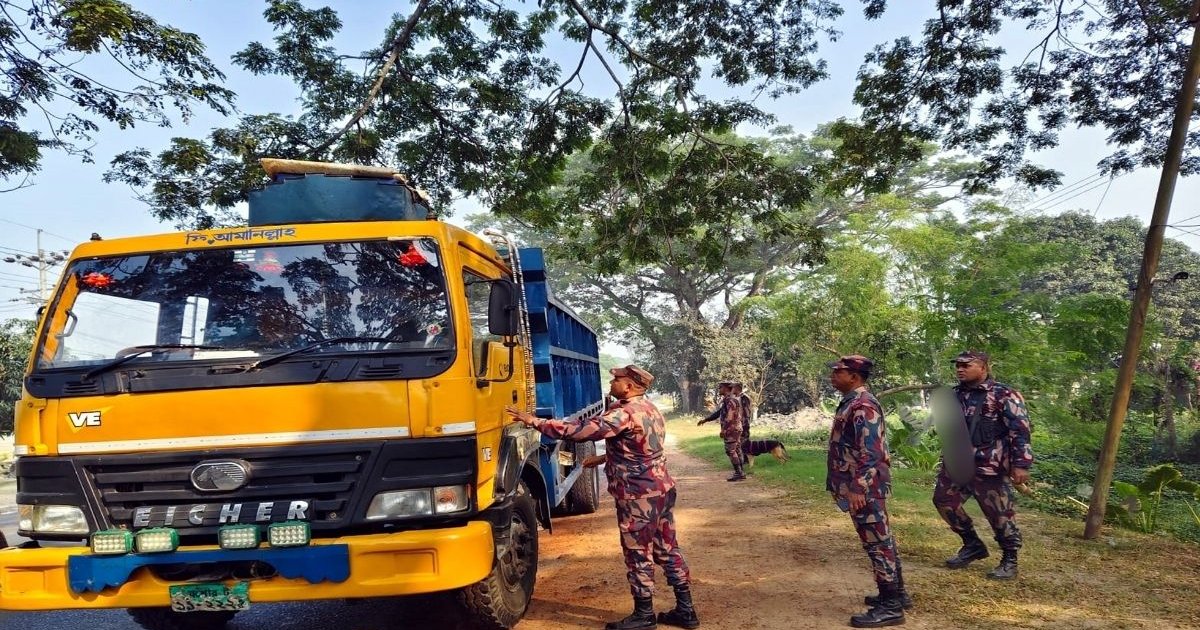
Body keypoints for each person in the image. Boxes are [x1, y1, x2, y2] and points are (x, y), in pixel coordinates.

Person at [507, 365, 699, 630]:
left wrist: (535, 422)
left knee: (637, 553)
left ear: (629, 386)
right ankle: (686, 611)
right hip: (661, 489)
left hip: (638, 496)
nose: (612, 381)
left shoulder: (624, 413)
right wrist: (602, 458)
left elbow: (581, 430)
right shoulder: (649, 408)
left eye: (617, 379)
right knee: (667, 549)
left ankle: (644, 616)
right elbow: (642, 449)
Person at [933, 350, 1033, 580]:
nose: (960, 369)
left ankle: (1010, 559)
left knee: (999, 514)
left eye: (966, 365)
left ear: (983, 367)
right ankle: (972, 545)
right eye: (957, 365)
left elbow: (1020, 430)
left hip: (990, 465)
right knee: (943, 501)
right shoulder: (954, 394)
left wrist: (1021, 464)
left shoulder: (1004, 394)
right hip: (957, 462)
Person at [826, 355, 908, 628]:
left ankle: (891, 606)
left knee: (877, 544)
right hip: (861, 484)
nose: (833, 375)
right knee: (881, 540)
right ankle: (898, 594)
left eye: (838, 372)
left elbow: (871, 452)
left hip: (865, 487)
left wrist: (858, 487)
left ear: (854, 376)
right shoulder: (852, 402)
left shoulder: (862, 405)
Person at [696, 381, 745, 481]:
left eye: (720, 387)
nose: (719, 389)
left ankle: (738, 473)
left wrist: (724, 429)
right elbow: (719, 413)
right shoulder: (728, 400)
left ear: (726, 388)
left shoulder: (730, 400)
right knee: (737, 450)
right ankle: (741, 472)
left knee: (731, 450)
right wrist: (706, 420)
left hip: (731, 429)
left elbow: (730, 417)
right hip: (736, 428)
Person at [733, 383, 753, 466]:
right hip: (737, 423)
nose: (732, 389)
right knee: (738, 442)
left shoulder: (744, 398)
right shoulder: (735, 398)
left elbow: (747, 411)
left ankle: (746, 460)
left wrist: (744, 422)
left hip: (744, 423)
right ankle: (741, 460)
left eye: (733, 387)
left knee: (744, 442)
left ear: (737, 388)